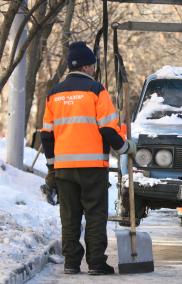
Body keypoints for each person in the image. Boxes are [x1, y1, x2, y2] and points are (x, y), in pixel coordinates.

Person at [40, 41, 136, 275]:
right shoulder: (96, 91)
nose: (94, 69)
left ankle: (71, 263)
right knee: (95, 215)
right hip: (92, 167)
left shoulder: (54, 94)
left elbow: (46, 135)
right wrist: (126, 148)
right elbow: (108, 130)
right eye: (92, 65)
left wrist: (52, 168)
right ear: (85, 67)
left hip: (63, 168)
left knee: (70, 218)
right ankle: (96, 264)